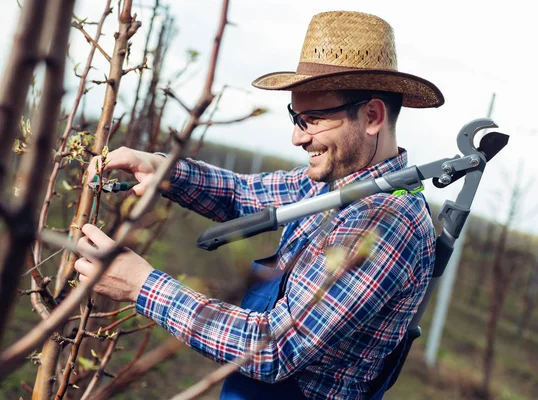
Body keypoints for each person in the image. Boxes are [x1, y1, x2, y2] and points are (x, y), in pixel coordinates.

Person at [76, 10, 444, 399]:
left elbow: (273, 348)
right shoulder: (336, 186)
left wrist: (142, 286)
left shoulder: (384, 222)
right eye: (295, 117)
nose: (297, 138)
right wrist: (164, 170)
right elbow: (240, 194)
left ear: (372, 116)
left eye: (313, 119)